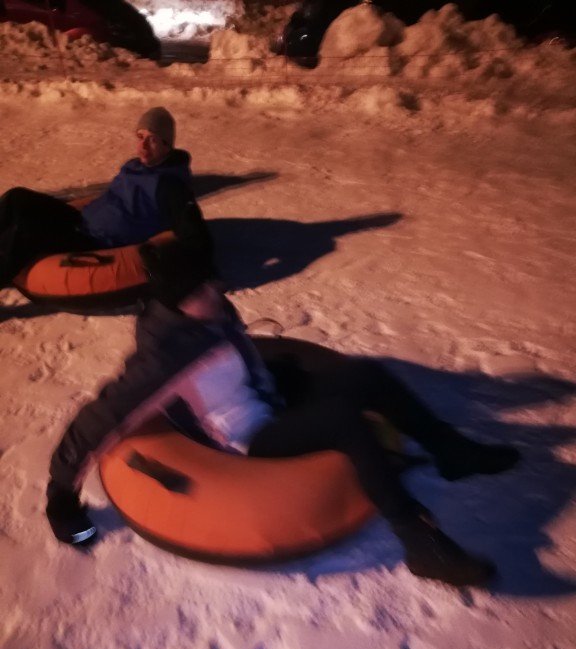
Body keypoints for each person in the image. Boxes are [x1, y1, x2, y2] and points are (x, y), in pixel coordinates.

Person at [45, 243, 520, 588]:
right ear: (175, 301)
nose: (216, 291)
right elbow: (100, 417)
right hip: (250, 436)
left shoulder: (208, 314)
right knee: (344, 421)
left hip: (269, 399)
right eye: (201, 289)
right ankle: (420, 542)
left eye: (212, 282)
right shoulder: (162, 361)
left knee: (366, 376)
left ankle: (451, 451)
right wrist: (61, 494)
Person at [0, 106, 214, 289]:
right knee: (17, 197)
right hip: (81, 220)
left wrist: (207, 276)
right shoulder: (134, 166)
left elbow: (194, 232)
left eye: (153, 140)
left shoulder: (169, 186)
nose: (143, 146)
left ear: (167, 145)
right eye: (140, 137)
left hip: (95, 241)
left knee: (24, 233)